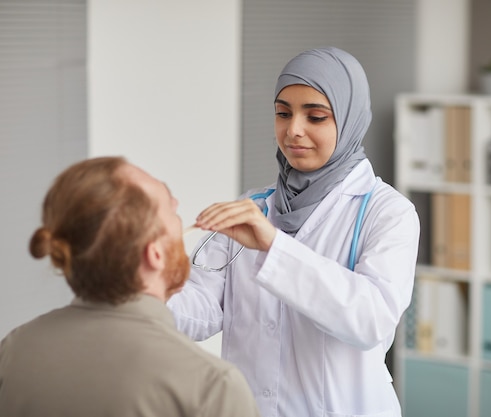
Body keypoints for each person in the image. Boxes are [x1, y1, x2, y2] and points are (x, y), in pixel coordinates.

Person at [168, 47, 420, 417]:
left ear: (349, 120)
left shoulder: (387, 212)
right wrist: (141, 290)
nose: (293, 131)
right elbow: (205, 309)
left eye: (315, 116)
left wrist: (274, 246)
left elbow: (371, 320)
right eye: (283, 113)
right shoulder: (253, 205)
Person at [0, 156, 261, 417]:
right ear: (155, 254)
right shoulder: (214, 386)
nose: (178, 206)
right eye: (172, 209)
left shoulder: (12, 350)